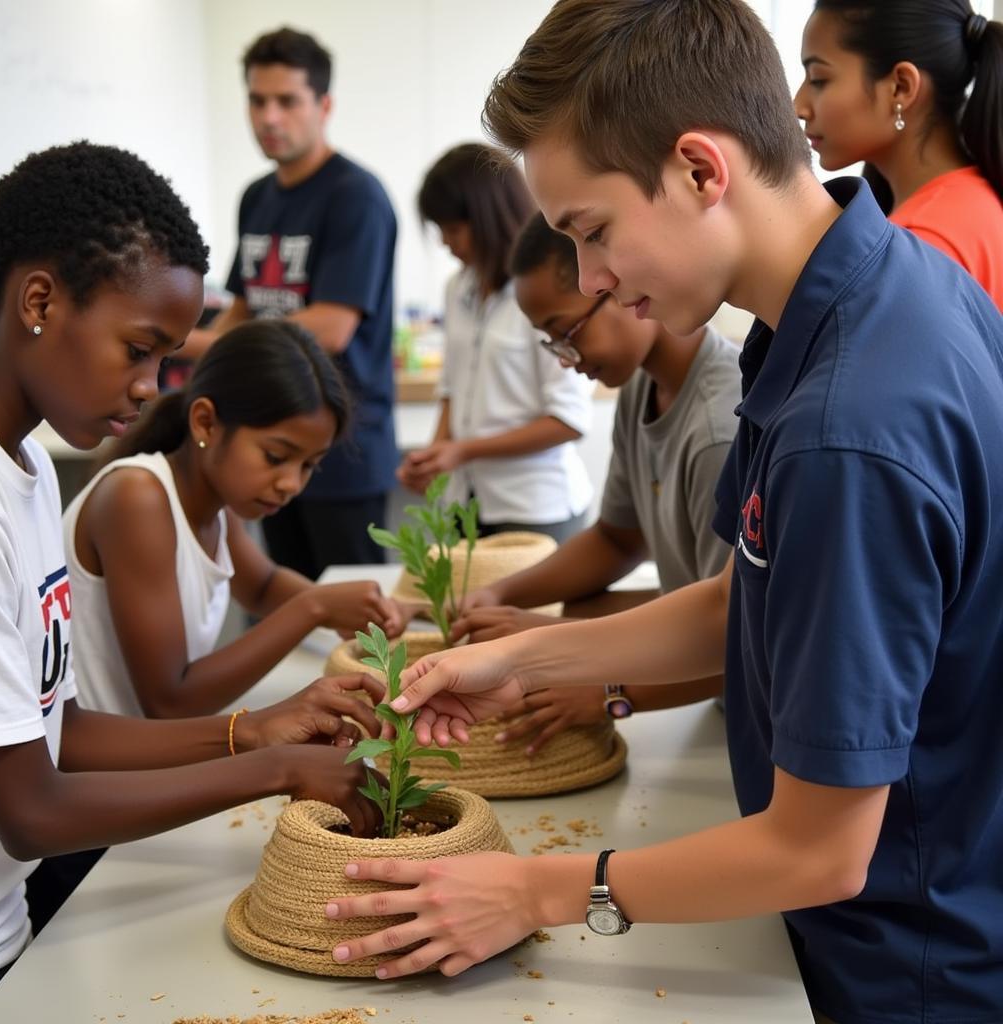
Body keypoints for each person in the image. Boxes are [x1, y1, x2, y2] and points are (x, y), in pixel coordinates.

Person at [321, 3, 1003, 1022]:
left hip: (899, 968)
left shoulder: (846, 426)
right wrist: (524, 658)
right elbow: (753, 595)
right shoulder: (861, 298)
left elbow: (818, 848)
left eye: (591, 233)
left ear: (698, 168)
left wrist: (537, 889)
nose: (595, 280)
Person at [0, 141, 387, 1004]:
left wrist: (257, 731)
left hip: (2, 918)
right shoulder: (27, 494)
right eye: (137, 349)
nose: (146, 387)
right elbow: (30, 810)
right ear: (40, 301)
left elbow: (64, 730)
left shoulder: (32, 471)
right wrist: (269, 765)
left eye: (162, 359)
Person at [452, 212, 740, 753]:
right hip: (709, 692)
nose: (567, 360)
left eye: (567, 333)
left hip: (746, 702)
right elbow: (617, 539)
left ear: (621, 286)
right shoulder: (640, 389)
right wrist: (502, 594)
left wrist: (610, 694)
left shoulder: (717, 431)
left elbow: (743, 640)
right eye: (550, 342)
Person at [63, 320, 405, 720]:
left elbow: (262, 586)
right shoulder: (138, 498)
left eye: (309, 465)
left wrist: (366, 610)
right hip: (99, 775)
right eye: (276, 457)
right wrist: (314, 607)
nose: (291, 484)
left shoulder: (214, 503)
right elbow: (170, 701)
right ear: (206, 422)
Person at [189, 27, 398, 580]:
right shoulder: (257, 196)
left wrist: (191, 345)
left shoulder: (356, 196)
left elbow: (329, 329)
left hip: (339, 451)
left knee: (355, 622)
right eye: (258, 101)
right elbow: (243, 307)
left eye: (287, 101)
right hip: (264, 438)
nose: (269, 118)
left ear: (323, 105)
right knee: (290, 607)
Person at [398, 143, 594, 543]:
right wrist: (433, 457)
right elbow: (452, 387)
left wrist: (464, 450)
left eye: (452, 230)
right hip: (464, 504)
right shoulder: (458, 288)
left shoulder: (545, 295)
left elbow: (568, 420)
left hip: (535, 507)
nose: (445, 243)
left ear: (488, 219)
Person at [794, 0, 1003, 308]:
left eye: (819, 80)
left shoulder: (921, 244)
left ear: (901, 88)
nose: (799, 105)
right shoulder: (979, 200)